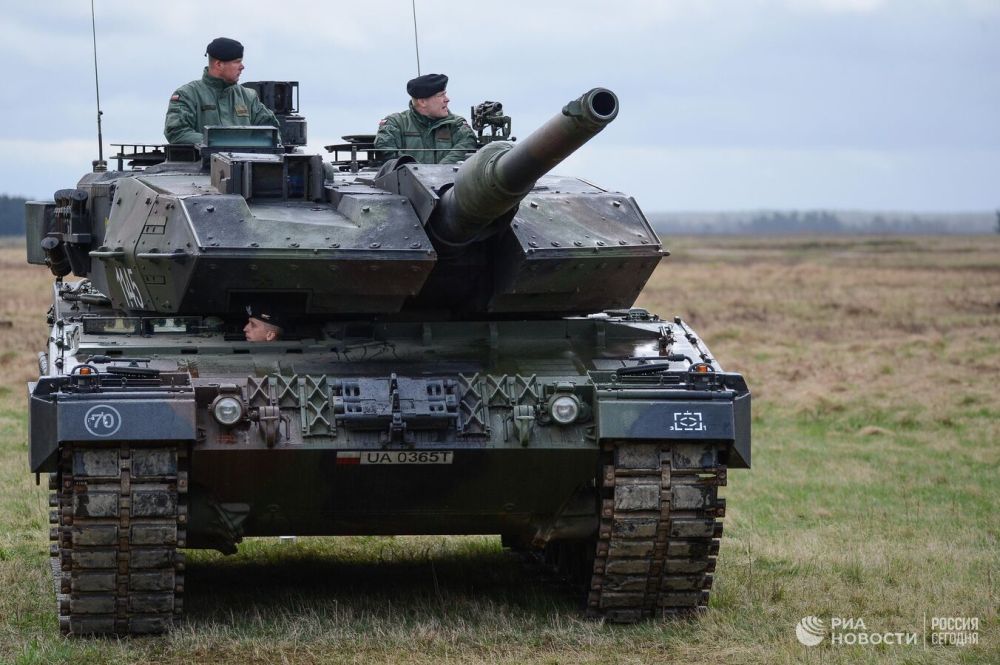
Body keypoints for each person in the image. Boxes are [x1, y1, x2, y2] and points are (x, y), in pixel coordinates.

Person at [164, 37, 280, 145]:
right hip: (203, 164)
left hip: (246, 163)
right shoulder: (188, 95)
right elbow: (177, 132)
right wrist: (219, 143)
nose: (242, 66)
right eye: (237, 62)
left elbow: (271, 131)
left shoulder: (248, 97)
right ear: (219, 64)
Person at [374, 73, 477, 165]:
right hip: (407, 184)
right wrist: (419, 173)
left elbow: (466, 146)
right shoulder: (396, 123)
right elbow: (387, 149)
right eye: (441, 95)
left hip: (449, 185)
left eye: (445, 94)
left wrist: (439, 172)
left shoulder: (456, 124)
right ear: (422, 102)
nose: (447, 99)